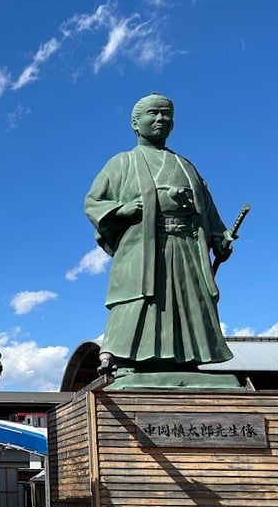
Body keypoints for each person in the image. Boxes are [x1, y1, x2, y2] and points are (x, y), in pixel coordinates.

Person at [85, 93, 233, 374]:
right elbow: (94, 202)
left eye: (166, 114)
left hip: (186, 246)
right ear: (135, 123)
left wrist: (218, 237)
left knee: (188, 301)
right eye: (153, 113)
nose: (160, 119)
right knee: (140, 299)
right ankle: (126, 359)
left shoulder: (186, 166)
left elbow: (208, 209)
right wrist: (124, 209)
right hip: (143, 247)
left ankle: (186, 360)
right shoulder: (122, 162)